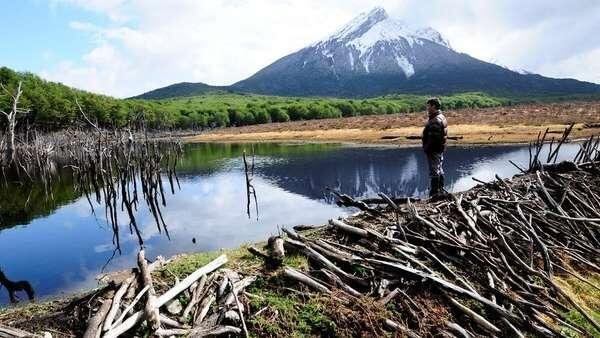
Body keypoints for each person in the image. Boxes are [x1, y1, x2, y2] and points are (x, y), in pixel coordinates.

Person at [422, 98, 448, 197]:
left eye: (428, 106)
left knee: (434, 171)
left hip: (434, 149)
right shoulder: (441, 116)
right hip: (439, 148)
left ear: (433, 106)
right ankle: (440, 190)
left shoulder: (435, 120)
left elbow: (433, 139)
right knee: (439, 168)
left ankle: (434, 194)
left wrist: (426, 148)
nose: (427, 108)